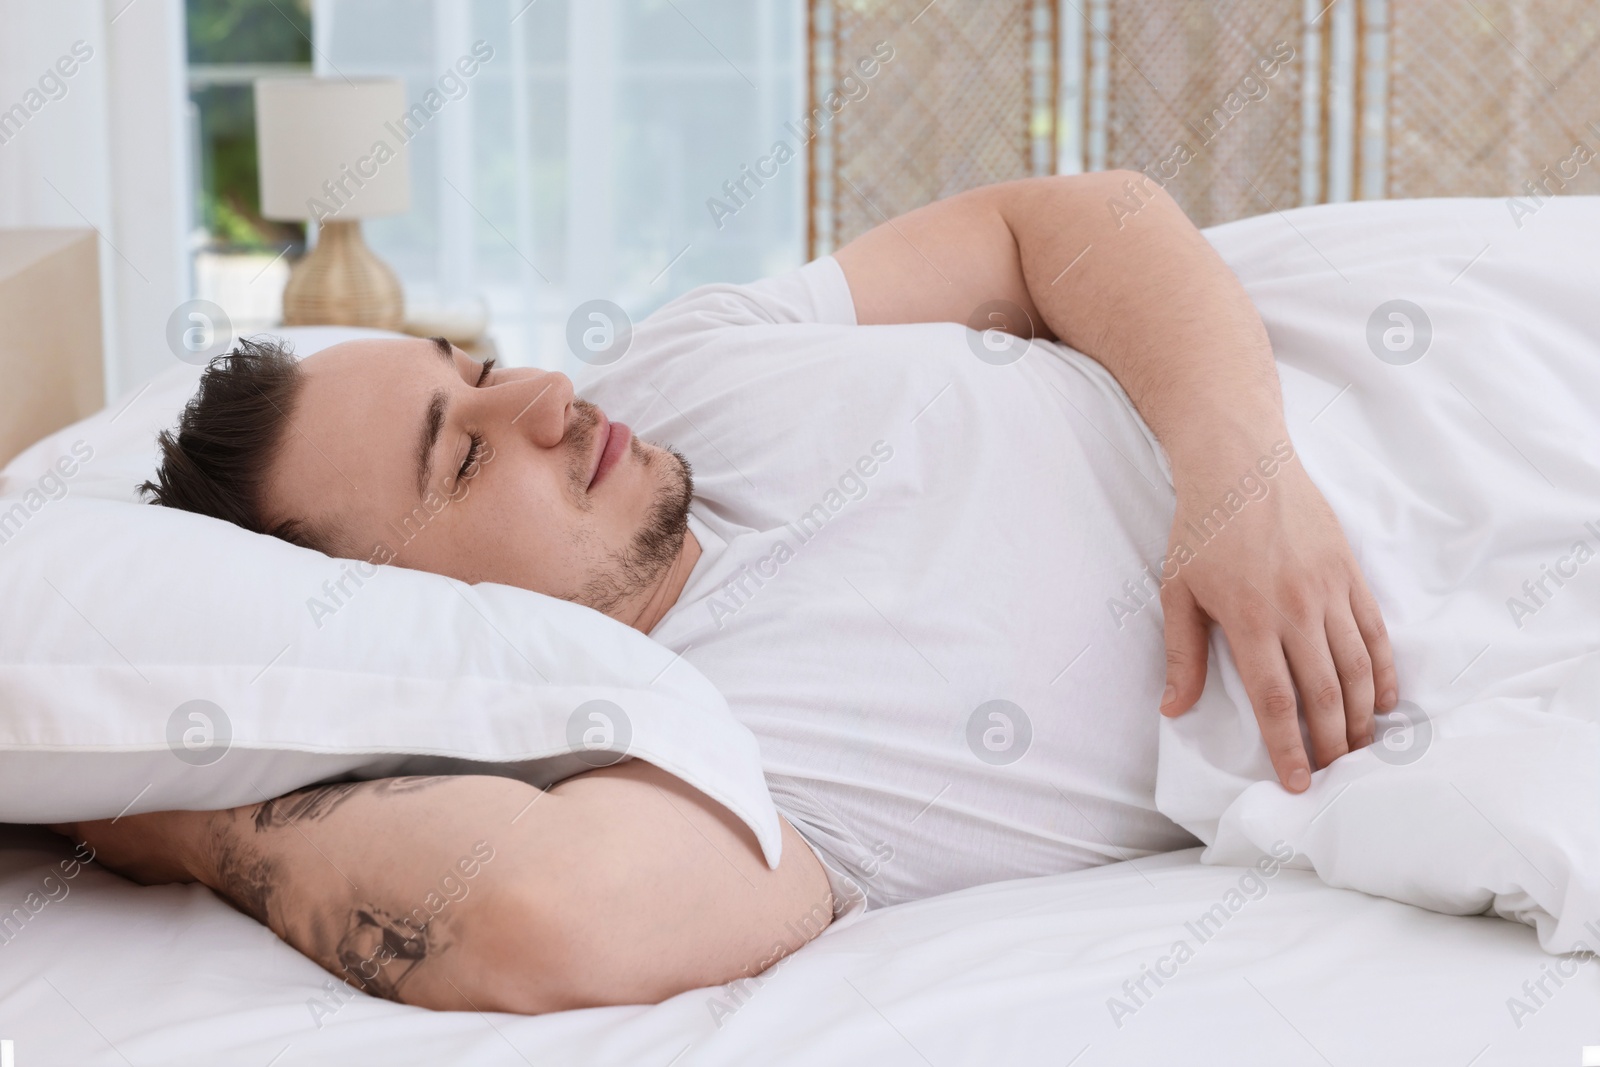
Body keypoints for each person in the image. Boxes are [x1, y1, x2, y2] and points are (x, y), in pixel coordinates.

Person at [54, 171, 1397, 1015]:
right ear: (412, 613)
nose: (543, 396)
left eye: (470, 366)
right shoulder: (699, 755)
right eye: (462, 456)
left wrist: (1242, 470)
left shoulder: (678, 369)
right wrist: (173, 819)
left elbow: (1067, 222)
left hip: (1380, 382)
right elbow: (538, 921)